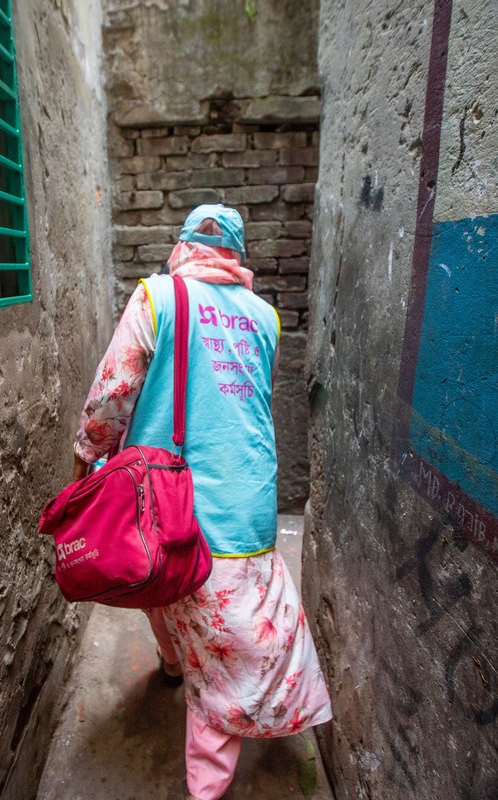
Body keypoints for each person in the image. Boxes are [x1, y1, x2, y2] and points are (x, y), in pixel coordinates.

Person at [71, 204, 333, 799]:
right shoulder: (266, 317)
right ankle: (173, 663)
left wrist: (88, 451)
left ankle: (205, 790)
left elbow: (115, 391)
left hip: (164, 500)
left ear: (183, 246)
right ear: (236, 255)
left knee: (206, 643)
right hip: (245, 499)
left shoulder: (155, 297)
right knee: (199, 606)